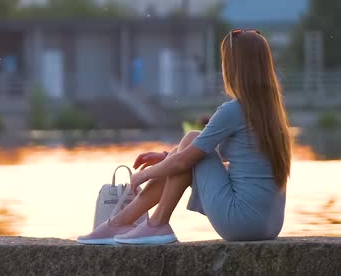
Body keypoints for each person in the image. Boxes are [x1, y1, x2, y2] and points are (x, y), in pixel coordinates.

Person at [77, 29, 292, 245]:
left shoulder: (233, 111)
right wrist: (166, 157)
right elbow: (226, 157)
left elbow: (187, 159)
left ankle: (155, 223)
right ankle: (121, 222)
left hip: (240, 222)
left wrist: (145, 175)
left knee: (190, 139)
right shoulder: (272, 113)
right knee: (188, 150)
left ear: (234, 68)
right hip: (269, 225)